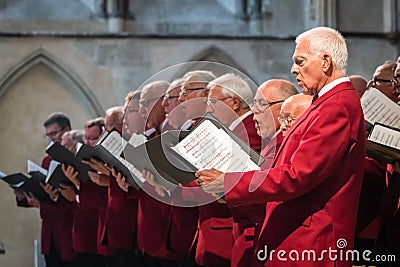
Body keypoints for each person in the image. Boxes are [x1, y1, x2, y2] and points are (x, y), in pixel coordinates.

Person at [197, 26, 366, 267]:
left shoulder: (336, 106)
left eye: (300, 61)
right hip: (296, 236)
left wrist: (229, 182)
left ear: (326, 61)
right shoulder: (326, 103)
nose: (293, 70)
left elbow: (298, 175)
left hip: (311, 242)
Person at [17, 112, 78, 267]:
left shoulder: (76, 160)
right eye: (48, 135)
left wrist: (41, 206)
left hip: (68, 235)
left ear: (67, 130)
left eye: (54, 133)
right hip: (49, 237)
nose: (51, 138)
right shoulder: (47, 161)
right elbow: (45, 194)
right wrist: (23, 194)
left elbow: (72, 206)